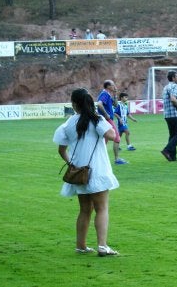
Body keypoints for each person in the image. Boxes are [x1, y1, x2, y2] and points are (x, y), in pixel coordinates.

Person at [54, 88, 119, 256]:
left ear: (74, 104)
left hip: (79, 172)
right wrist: (105, 117)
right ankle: (102, 246)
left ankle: (81, 245)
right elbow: (113, 135)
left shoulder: (69, 123)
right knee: (102, 208)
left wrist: (71, 164)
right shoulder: (96, 120)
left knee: (84, 210)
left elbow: (61, 149)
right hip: (97, 169)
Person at [97, 80, 127, 165]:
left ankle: (100, 159)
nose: (114, 86)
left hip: (105, 119)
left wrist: (115, 95)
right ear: (108, 86)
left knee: (104, 140)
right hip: (107, 119)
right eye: (113, 85)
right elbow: (99, 104)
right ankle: (117, 159)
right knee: (117, 138)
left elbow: (116, 105)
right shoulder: (105, 94)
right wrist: (106, 115)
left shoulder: (108, 95)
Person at [161, 70, 177, 161]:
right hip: (175, 114)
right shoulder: (174, 86)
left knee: (172, 135)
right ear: (173, 78)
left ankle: (172, 156)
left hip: (167, 115)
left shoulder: (166, 87)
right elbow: (173, 99)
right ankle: (166, 150)